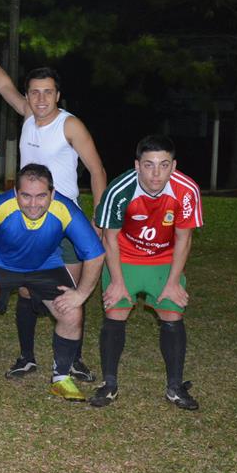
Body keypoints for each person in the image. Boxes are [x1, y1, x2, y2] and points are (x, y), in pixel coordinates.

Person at [0, 30, 107, 381]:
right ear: (29, 96)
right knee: (27, 287)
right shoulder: (28, 114)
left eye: (48, 92)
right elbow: (3, 87)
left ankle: (71, 360)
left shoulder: (70, 124)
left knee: (67, 293)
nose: (41, 98)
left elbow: (96, 169)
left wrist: (97, 218)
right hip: (24, 213)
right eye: (35, 92)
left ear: (57, 94)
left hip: (62, 220)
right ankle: (26, 355)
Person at [0, 164, 105, 402]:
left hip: (44, 265)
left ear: (53, 194)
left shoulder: (64, 209)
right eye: (26, 196)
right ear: (16, 193)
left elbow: (95, 254)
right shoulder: (0, 207)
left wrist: (81, 293)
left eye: (41, 196)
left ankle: (61, 377)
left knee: (72, 312)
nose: (33, 203)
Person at [91, 135, 203, 410]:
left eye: (164, 165)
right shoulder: (119, 190)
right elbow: (109, 238)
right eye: (149, 165)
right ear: (137, 165)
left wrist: (174, 281)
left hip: (164, 259)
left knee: (172, 311)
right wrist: (117, 282)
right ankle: (110, 384)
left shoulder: (186, 190)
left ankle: (175, 387)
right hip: (125, 257)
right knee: (115, 312)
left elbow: (184, 238)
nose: (156, 173)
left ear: (173, 166)